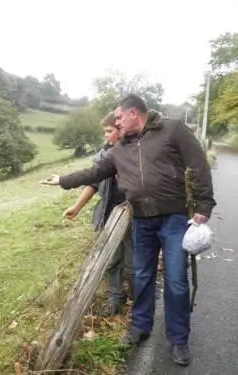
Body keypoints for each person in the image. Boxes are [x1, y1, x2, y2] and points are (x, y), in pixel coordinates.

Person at [41, 94, 216, 366]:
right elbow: (94, 173)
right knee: (142, 276)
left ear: (134, 113)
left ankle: (179, 339)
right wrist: (63, 180)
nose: (117, 122)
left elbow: (199, 165)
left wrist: (204, 205)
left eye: (119, 117)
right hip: (142, 220)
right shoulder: (119, 148)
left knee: (177, 281)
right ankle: (139, 327)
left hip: (174, 219)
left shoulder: (173, 129)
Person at [62, 111, 133, 316]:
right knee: (110, 259)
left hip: (133, 216)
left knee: (133, 261)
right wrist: (76, 207)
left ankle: (138, 300)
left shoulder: (135, 152)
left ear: (121, 130)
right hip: (108, 215)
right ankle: (115, 298)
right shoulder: (102, 156)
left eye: (110, 131)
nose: (106, 136)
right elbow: (93, 183)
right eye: (105, 132)